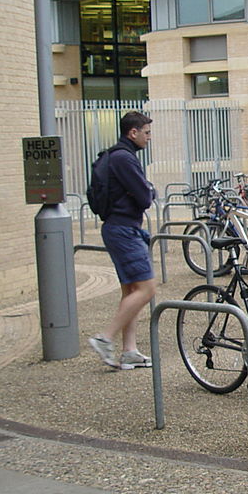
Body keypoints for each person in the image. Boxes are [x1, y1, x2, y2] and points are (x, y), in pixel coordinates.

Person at [88, 111, 157, 370]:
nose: (149, 138)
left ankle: (129, 351)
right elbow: (145, 197)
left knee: (131, 290)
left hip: (118, 228)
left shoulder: (116, 156)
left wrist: (144, 189)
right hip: (124, 230)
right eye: (147, 133)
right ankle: (105, 338)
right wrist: (148, 189)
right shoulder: (124, 159)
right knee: (147, 289)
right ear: (133, 133)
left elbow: (140, 192)